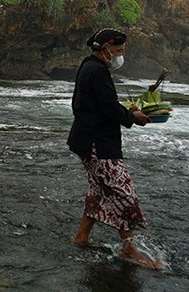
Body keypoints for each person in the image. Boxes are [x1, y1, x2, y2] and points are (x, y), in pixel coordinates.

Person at [67, 28, 161, 269]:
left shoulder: (88, 66)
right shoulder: (97, 71)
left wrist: (126, 113)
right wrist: (133, 118)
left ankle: (81, 237)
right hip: (98, 144)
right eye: (117, 51)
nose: (120, 56)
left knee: (99, 190)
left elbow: (99, 104)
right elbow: (108, 106)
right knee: (124, 194)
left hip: (86, 140)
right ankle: (128, 249)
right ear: (105, 50)